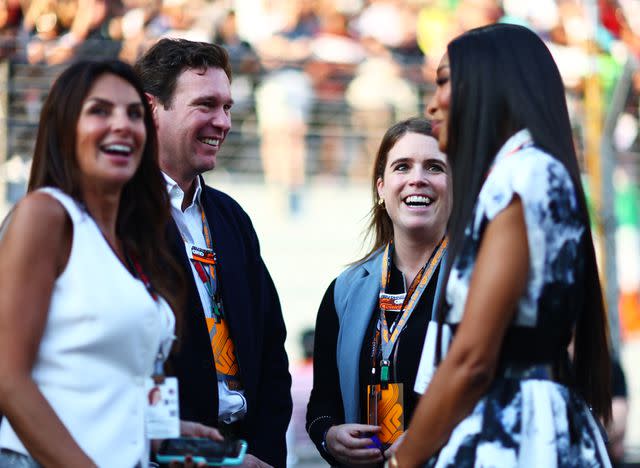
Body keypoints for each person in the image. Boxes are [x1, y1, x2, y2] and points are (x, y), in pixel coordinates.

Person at [389, 23, 612, 467]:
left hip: (517, 434)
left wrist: (403, 462)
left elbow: (472, 359)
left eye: (445, 80)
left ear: (493, 82)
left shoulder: (524, 174)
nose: (432, 103)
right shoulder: (526, 174)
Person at [0, 59, 221, 467]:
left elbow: (109, 379)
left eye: (134, 113)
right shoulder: (45, 216)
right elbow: (9, 379)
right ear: (65, 129)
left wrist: (160, 432)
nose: (122, 124)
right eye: (100, 111)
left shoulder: (135, 240)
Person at [134, 38, 292, 468]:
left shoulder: (230, 218)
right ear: (151, 108)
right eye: (206, 105)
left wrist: (261, 455)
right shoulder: (118, 217)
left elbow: (270, 351)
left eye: (227, 107)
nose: (222, 122)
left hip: (243, 452)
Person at [306, 117, 450, 466]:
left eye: (434, 167)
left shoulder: (480, 283)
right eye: (403, 167)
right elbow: (322, 402)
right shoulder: (345, 291)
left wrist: (431, 441)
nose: (418, 178)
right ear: (381, 188)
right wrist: (328, 436)